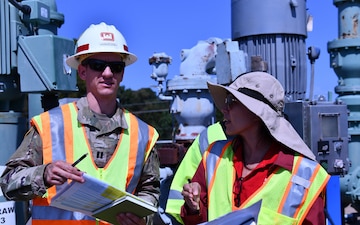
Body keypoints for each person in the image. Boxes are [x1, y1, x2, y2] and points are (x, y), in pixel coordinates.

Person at [0, 22, 160, 225]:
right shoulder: (50, 125)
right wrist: (44, 173)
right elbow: (8, 182)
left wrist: (142, 219)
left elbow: (150, 192)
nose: (108, 73)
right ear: (82, 71)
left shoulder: (144, 134)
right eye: (98, 65)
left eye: (116, 67)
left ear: (122, 73)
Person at [180, 71, 330, 225]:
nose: (224, 109)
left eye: (232, 101)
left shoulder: (305, 175)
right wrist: (193, 207)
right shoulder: (213, 156)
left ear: (255, 113)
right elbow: (195, 220)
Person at [164, 121, 229, 225]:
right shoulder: (209, 137)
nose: (226, 109)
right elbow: (185, 208)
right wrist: (193, 209)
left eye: (233, 104)